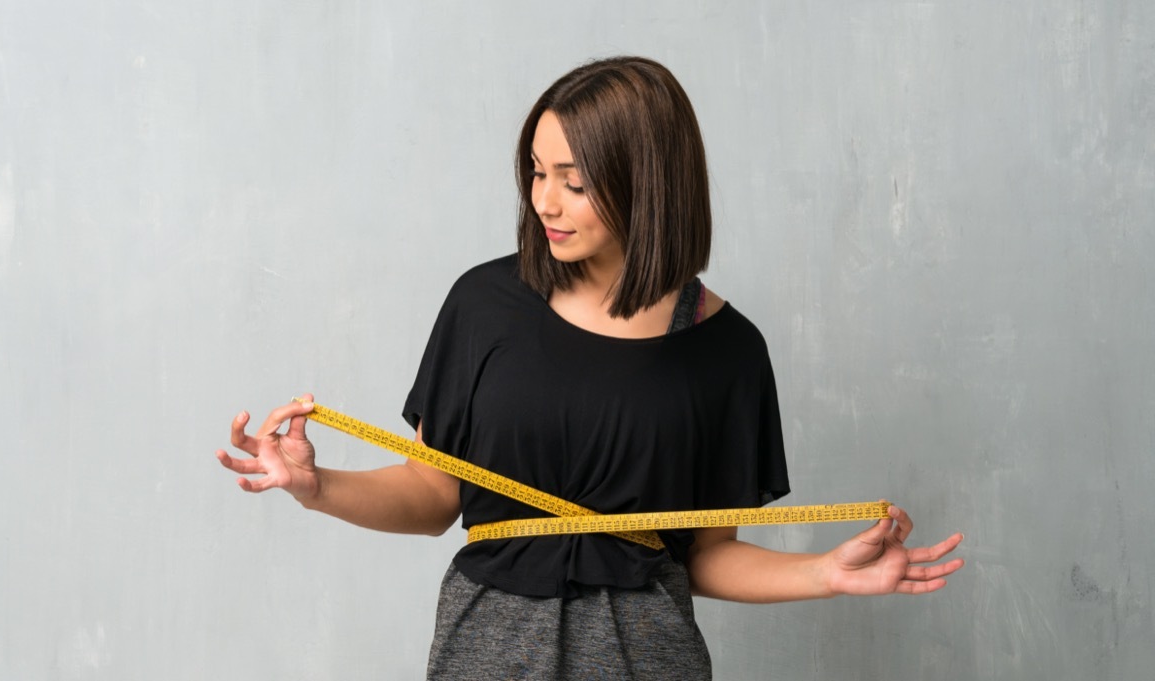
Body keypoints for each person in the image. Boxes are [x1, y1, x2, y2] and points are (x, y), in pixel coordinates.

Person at [216, 56, 964, 680]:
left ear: (651, 183)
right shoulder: (483, 305)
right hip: (486, 650)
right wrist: (317, 488)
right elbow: (433, 492)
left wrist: (825, 573)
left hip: (649, 657)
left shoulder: (729, 352)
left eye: (574, 181)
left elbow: (707, 554)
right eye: (537, 172)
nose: (546, 201)